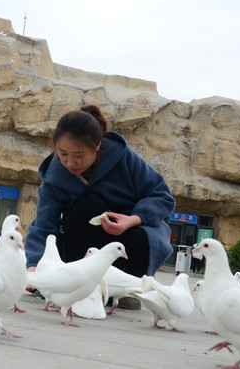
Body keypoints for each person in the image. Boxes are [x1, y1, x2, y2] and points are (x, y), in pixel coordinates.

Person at [24, 105, 176, 306]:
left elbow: (163, 196)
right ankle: (77, 289)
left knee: (140, 236)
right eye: (63, 154)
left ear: (97, 146)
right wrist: (33, 267)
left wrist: (131, 220)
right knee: (87, 208)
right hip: (82, 248)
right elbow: (44, 225)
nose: (70, 163)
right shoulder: (54, 177)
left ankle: (125, 293)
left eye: (78, 156)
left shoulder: (124, 158)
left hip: (128, 238)